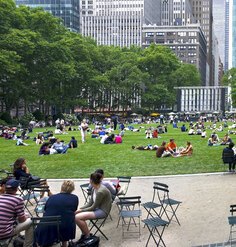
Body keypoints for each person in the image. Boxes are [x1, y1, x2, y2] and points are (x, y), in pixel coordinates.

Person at [35, 180, 79, 247]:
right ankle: (64, 244)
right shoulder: (75, 198)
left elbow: (45, 209)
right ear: (72, 189)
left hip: (47, 227)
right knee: (67, 219)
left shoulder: (52, 197)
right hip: (65, 227)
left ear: (62, 187)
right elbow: (73, 211)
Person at [75, 173, 112, 241]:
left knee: (77, 217)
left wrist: (80, 211)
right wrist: (80, 208)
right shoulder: (94, 188)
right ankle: (85, 234)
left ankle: (87, 235)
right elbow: (90, 203)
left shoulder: (100, 191)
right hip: (97, 208)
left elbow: (93, 207)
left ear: (92, 181)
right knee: (77, 215)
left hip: (103, 211)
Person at [0, 179, 33, 247]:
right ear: (17, 189)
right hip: (4, 233)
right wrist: (26, 216)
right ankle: (28, 245)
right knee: (31, 222)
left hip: (3, 229)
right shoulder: (18, 199)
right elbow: (22, 220)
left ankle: (17, 239)